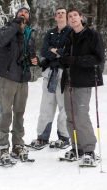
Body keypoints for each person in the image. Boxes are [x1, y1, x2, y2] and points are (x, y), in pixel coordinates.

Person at [59, 8, 104, 164]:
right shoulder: (68, 36)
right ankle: (76, 147)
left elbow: (98, 58)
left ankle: (89, 150)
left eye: (74, 16)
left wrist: (76, 60)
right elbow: (66, 58)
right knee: (70, 117)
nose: (72, 18)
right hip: (69, 81)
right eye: (69, 17)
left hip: (84, 82)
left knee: (81, 116)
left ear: (81, 18)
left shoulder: (92, 35)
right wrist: (63, 60)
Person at [0, 7, 38, 164]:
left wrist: (34, 61)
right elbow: (0, 40)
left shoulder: (29, 34)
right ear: (16, 15)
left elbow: (30, 55)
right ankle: (3, 146)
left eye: (26, 13)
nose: (23, 14)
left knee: (19, 113)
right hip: (8, 77)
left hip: (23, 78)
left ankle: (18, 144)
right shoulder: (8, 28)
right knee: (6, 113)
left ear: (29, 17)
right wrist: (15, 25)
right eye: (21, 12)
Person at [30, 7, 71, 149]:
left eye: (63, 13)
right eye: (58, 13)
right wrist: (56, 52)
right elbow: (43, 52)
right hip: (49, 73)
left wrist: (53, 50)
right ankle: (42, 137)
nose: (60, 15)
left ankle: (64, 137)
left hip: (64, 73)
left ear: (66, 17)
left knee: (64, 107)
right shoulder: (50, 33)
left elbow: (67, 53)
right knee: (46, 106)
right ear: (55, 17)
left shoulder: (71, 33)